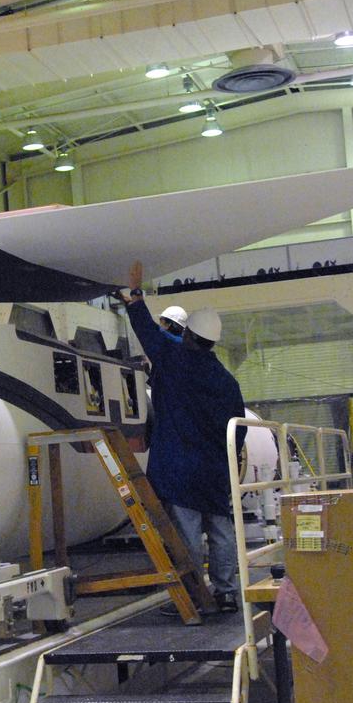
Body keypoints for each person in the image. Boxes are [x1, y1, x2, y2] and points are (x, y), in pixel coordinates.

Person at [122, 262, 247, 613]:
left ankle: (195, 595)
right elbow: (238, 429)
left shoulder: (173, 360)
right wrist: (229, 463)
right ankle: (225, 592)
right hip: (216, 471)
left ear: (188, 334)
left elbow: (147, 331)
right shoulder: (227, 382)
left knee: (187, 533)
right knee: (222, 531)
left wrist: (134, 295)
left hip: (179, 468)